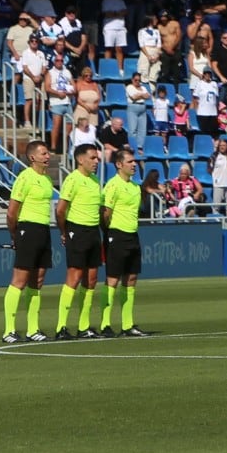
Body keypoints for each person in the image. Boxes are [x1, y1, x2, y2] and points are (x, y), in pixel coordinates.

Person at [3, 140, 57, 343]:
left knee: (38, 281)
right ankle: (9, 330)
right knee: (19, 280)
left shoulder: (47, 180)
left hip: (43, 230)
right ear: (32, 157)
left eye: (48, 153)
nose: (47, 156)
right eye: (43, 153)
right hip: (27, 228)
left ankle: (32, 329)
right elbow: (11, 212)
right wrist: (15, 234)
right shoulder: (25, 178)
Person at [55, 143, 105, 339]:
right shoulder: (72, 180)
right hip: (76, 229)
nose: (96, 161)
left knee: (91, 280)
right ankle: (61, 327)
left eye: (97, 158)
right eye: (92, 158)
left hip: (93, 232)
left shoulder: (94, 181)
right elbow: (60, 210)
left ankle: (84, 327)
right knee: (74, 278)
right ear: (80, 159)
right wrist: (65, 231)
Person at [99, 148, 150, 336]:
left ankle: (127, 325)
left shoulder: (135, 187)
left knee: (131, 279)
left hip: (132, 234)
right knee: (112, 278)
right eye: (129, 161)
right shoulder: (112, 185)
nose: (134, 164)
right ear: (119, 165)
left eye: (134, 161)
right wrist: (109, 233)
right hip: (117, 234)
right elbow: (105, 213)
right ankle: (105, 324)